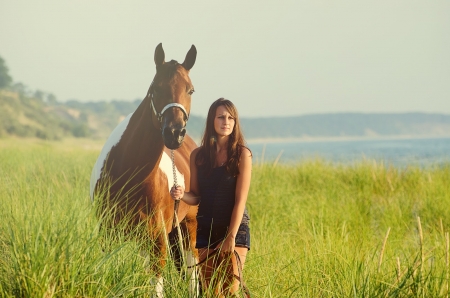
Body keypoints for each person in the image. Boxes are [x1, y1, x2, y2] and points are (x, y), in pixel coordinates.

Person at [170, 98, 252, 297]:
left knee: (230, 290)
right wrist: (181, 195)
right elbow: (196, 196)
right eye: (221, 117)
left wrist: (231, 236)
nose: (227, 122)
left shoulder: (242, 154)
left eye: (231, 118)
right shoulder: (198, 155)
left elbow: (240, 200)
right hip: (206, 229)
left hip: (233, 228)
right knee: (211, 292)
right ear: (212, 121)